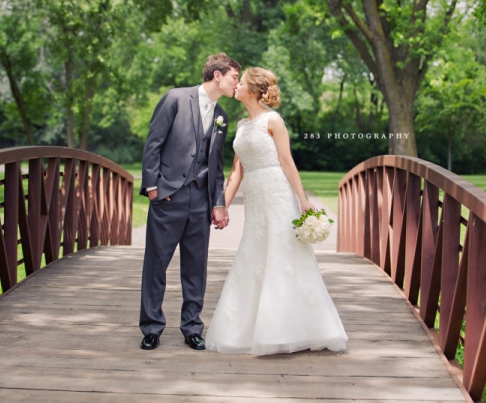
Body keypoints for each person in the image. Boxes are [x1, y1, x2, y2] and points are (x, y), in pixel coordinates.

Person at [205, 67, 348, 355]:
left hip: (278, 195)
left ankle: (295, 329)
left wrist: (303, 199)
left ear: (254, 90)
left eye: (241, 83)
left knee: (284, 257)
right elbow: (236, 171)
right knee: (254, 255)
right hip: (257, 201)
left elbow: (287, 162)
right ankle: (251, 329)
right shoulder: (242, 125)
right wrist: (222, 206)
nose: (237, 87)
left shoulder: (273, 120)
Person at [138, 53, 241, 351]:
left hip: (200, 201)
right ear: (218, 75)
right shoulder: (175, 99)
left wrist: (218, 202)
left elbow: (217, 165)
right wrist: (153, 187)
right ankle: (151, 327)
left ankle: (192, 326)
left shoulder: (222, 114)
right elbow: (153, 143)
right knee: (156, 264)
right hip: (169, 195)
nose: (237, 82)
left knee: (196, 266)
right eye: (235, 76)